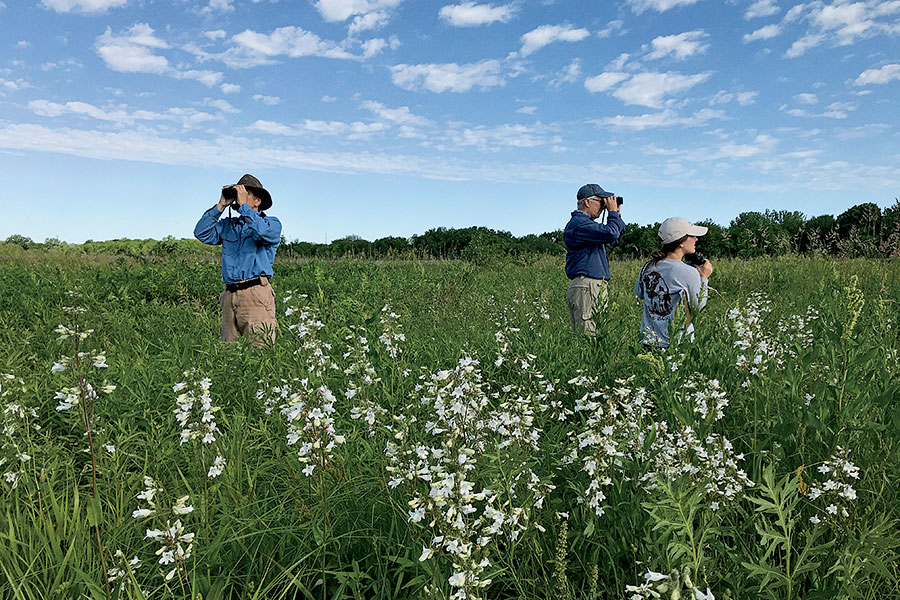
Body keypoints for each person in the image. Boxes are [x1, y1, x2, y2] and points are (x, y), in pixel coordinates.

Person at [194, 174, 282, 344]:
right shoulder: (229, 225)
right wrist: (220, 206)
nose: (239, 195)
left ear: (257, 201)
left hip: (256, 294)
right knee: (230, 355)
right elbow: (201, 233)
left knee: (260, 352)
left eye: (244, 192)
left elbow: (263, 231)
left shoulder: (271, 223)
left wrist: (244, 207)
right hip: (229, 295)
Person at [635, 217, 714, 348]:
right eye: (692, 236)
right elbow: (698, 306)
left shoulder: (647, 267)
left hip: (649, 341)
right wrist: (704, 278)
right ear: (681, 242)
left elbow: (640, 293)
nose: (696, 239)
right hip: (677, 343)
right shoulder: (688, 271)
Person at [564, 183, 625, 337]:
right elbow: (611, 234)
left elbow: (614, 238)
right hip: (587, 285)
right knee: (588, 336)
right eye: (600, 202)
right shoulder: (578, 224)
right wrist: (611, 213)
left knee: (598, 335)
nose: (603, 206)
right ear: (587, 202)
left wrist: (616, 213)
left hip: (593, 285)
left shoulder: (587, 226)